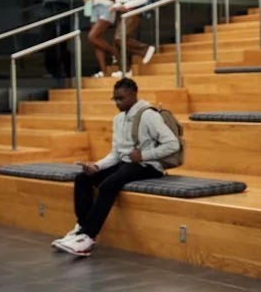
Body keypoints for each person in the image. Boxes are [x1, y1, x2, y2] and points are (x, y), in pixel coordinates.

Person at [53, 78, 179, 256]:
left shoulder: (150, 115)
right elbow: (115, 153)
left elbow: (173, 144)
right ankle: (81, 229)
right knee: (82, 178)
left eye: (121, 98)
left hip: (148, 166)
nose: (117, 103)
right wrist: (96, 166)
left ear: (133, 95)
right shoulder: (118, 119)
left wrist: (144, 155)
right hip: (127, 164)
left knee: (108, 185)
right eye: (115, 99)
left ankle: (88, 237)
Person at [110, 0, 155, 78]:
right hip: (124, 13)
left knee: (119, 38)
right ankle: (126, 70)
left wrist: (127, 6)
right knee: (118, 41)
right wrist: (116, 6)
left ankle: (145, 49)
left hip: (133, 13)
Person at [85, 0, 121, 78]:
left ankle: (114, 52)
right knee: (96, 40)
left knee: (92, 36)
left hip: (107, 8)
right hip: (94, 8)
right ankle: (104, 71)